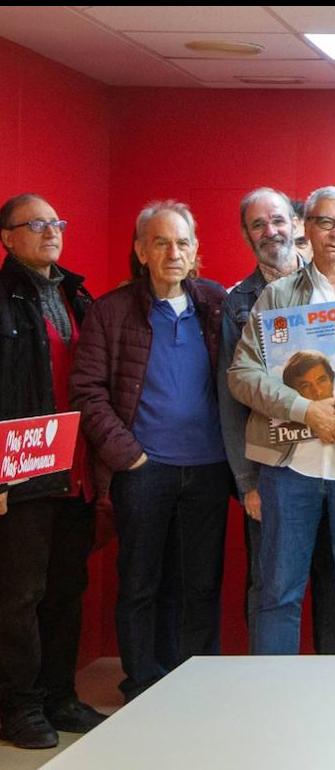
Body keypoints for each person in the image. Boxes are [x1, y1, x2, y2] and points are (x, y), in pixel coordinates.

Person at [228, 185, 335, 655]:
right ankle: (274, 697)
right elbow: (241, 375)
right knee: (278, 593)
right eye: (325, 222)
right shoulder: (277, 297)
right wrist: (304, 409)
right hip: (290, 467)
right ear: (306, 228)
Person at [71, 200, 231, 701]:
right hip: (144, 470)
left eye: (182, 242)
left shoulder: (215, 304)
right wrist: (129, 456)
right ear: (141, 250)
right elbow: (87, 390)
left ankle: (195, 681)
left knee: (199, 584)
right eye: (160, 242)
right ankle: (142, 683)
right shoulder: (111, 310)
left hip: (207, 468)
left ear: (196, 251)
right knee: (141, 582)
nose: (173, 252)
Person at [0, 194, 105, 748]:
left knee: (68, 586)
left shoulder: (76, 294)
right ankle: (18, 706)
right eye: (35, 224)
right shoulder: (2, 300)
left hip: (76, 468)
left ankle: (60, 695)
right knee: (20, 594)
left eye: (56, 222)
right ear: (8, 239)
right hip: (21, 472)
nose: (50, 231)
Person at [219, 187, 335, 654]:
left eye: (277, 220)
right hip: (275, 468)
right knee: (273, 589)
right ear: (248, 235)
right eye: (257, 225)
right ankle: (270, 693)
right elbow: (229, 399)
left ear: (296, 221)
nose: (270, 231)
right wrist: (247, 482)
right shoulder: (238, 302)